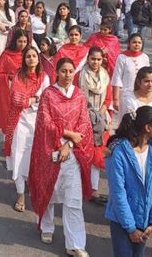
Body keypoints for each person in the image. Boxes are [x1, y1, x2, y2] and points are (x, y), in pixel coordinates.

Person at [29, 58, 94, 257]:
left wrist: (70, 143)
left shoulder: (79, 96)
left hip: (72, 153)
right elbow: (44, 122)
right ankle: (47, 227)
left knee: (73, 199)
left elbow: (84, 124)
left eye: (70, 71)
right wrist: (66, 136)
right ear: (56, 73)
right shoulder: (48, 94)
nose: (67, 75)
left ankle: (75, 244)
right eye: (63, 71)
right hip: (50, 151)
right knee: (49, 191)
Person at [105, 106, 152, 257]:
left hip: (143, 219)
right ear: (148, 128)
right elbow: (118, 193)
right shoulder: (119, 152)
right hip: (121, 221)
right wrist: (131, 228)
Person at [4, 47, 50, 212]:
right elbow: (15, 98)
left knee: (34, 157)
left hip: (38, 122)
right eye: (28, 56)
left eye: (34, 56)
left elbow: (47, 99)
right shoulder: (18, 76)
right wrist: (33, 99)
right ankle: (20, 194)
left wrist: (32, 99)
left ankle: (31, 183)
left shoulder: (44, 78)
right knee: (19, 156)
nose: (31, 59)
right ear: (24, 59)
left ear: (38, 59)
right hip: (19, 121)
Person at [78, 47, 112, 205]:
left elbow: (108, 98)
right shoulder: (80, 75)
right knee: (83, 155)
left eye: (98, 60)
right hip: (83, 119)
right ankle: (80, 187)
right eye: (93, 59)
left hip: (100, 121)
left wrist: (99, 114)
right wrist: (87, 115)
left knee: (97, 157)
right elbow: (77, 96)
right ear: (88, 59)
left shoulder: (105, 76)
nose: (95, 62)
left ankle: (94, 190)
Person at [0, 29, 29, 134]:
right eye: (20, 41)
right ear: (14, 41)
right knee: (8, 116)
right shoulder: (6, 55)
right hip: (8, 91)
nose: (22, 44)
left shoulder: (29, 55)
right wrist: (8, 77)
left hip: (25, 91)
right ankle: (7, 143)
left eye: (25, 41)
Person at [111, 33, 150, 111]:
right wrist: (116, 99)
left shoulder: (144, 57)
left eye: (139, 43)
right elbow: (117, 77)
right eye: (134, 42)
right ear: (129, 43)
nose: (137, 45)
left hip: (141, 94)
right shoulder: (122, 57)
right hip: (126, 94)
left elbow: (149, 76)